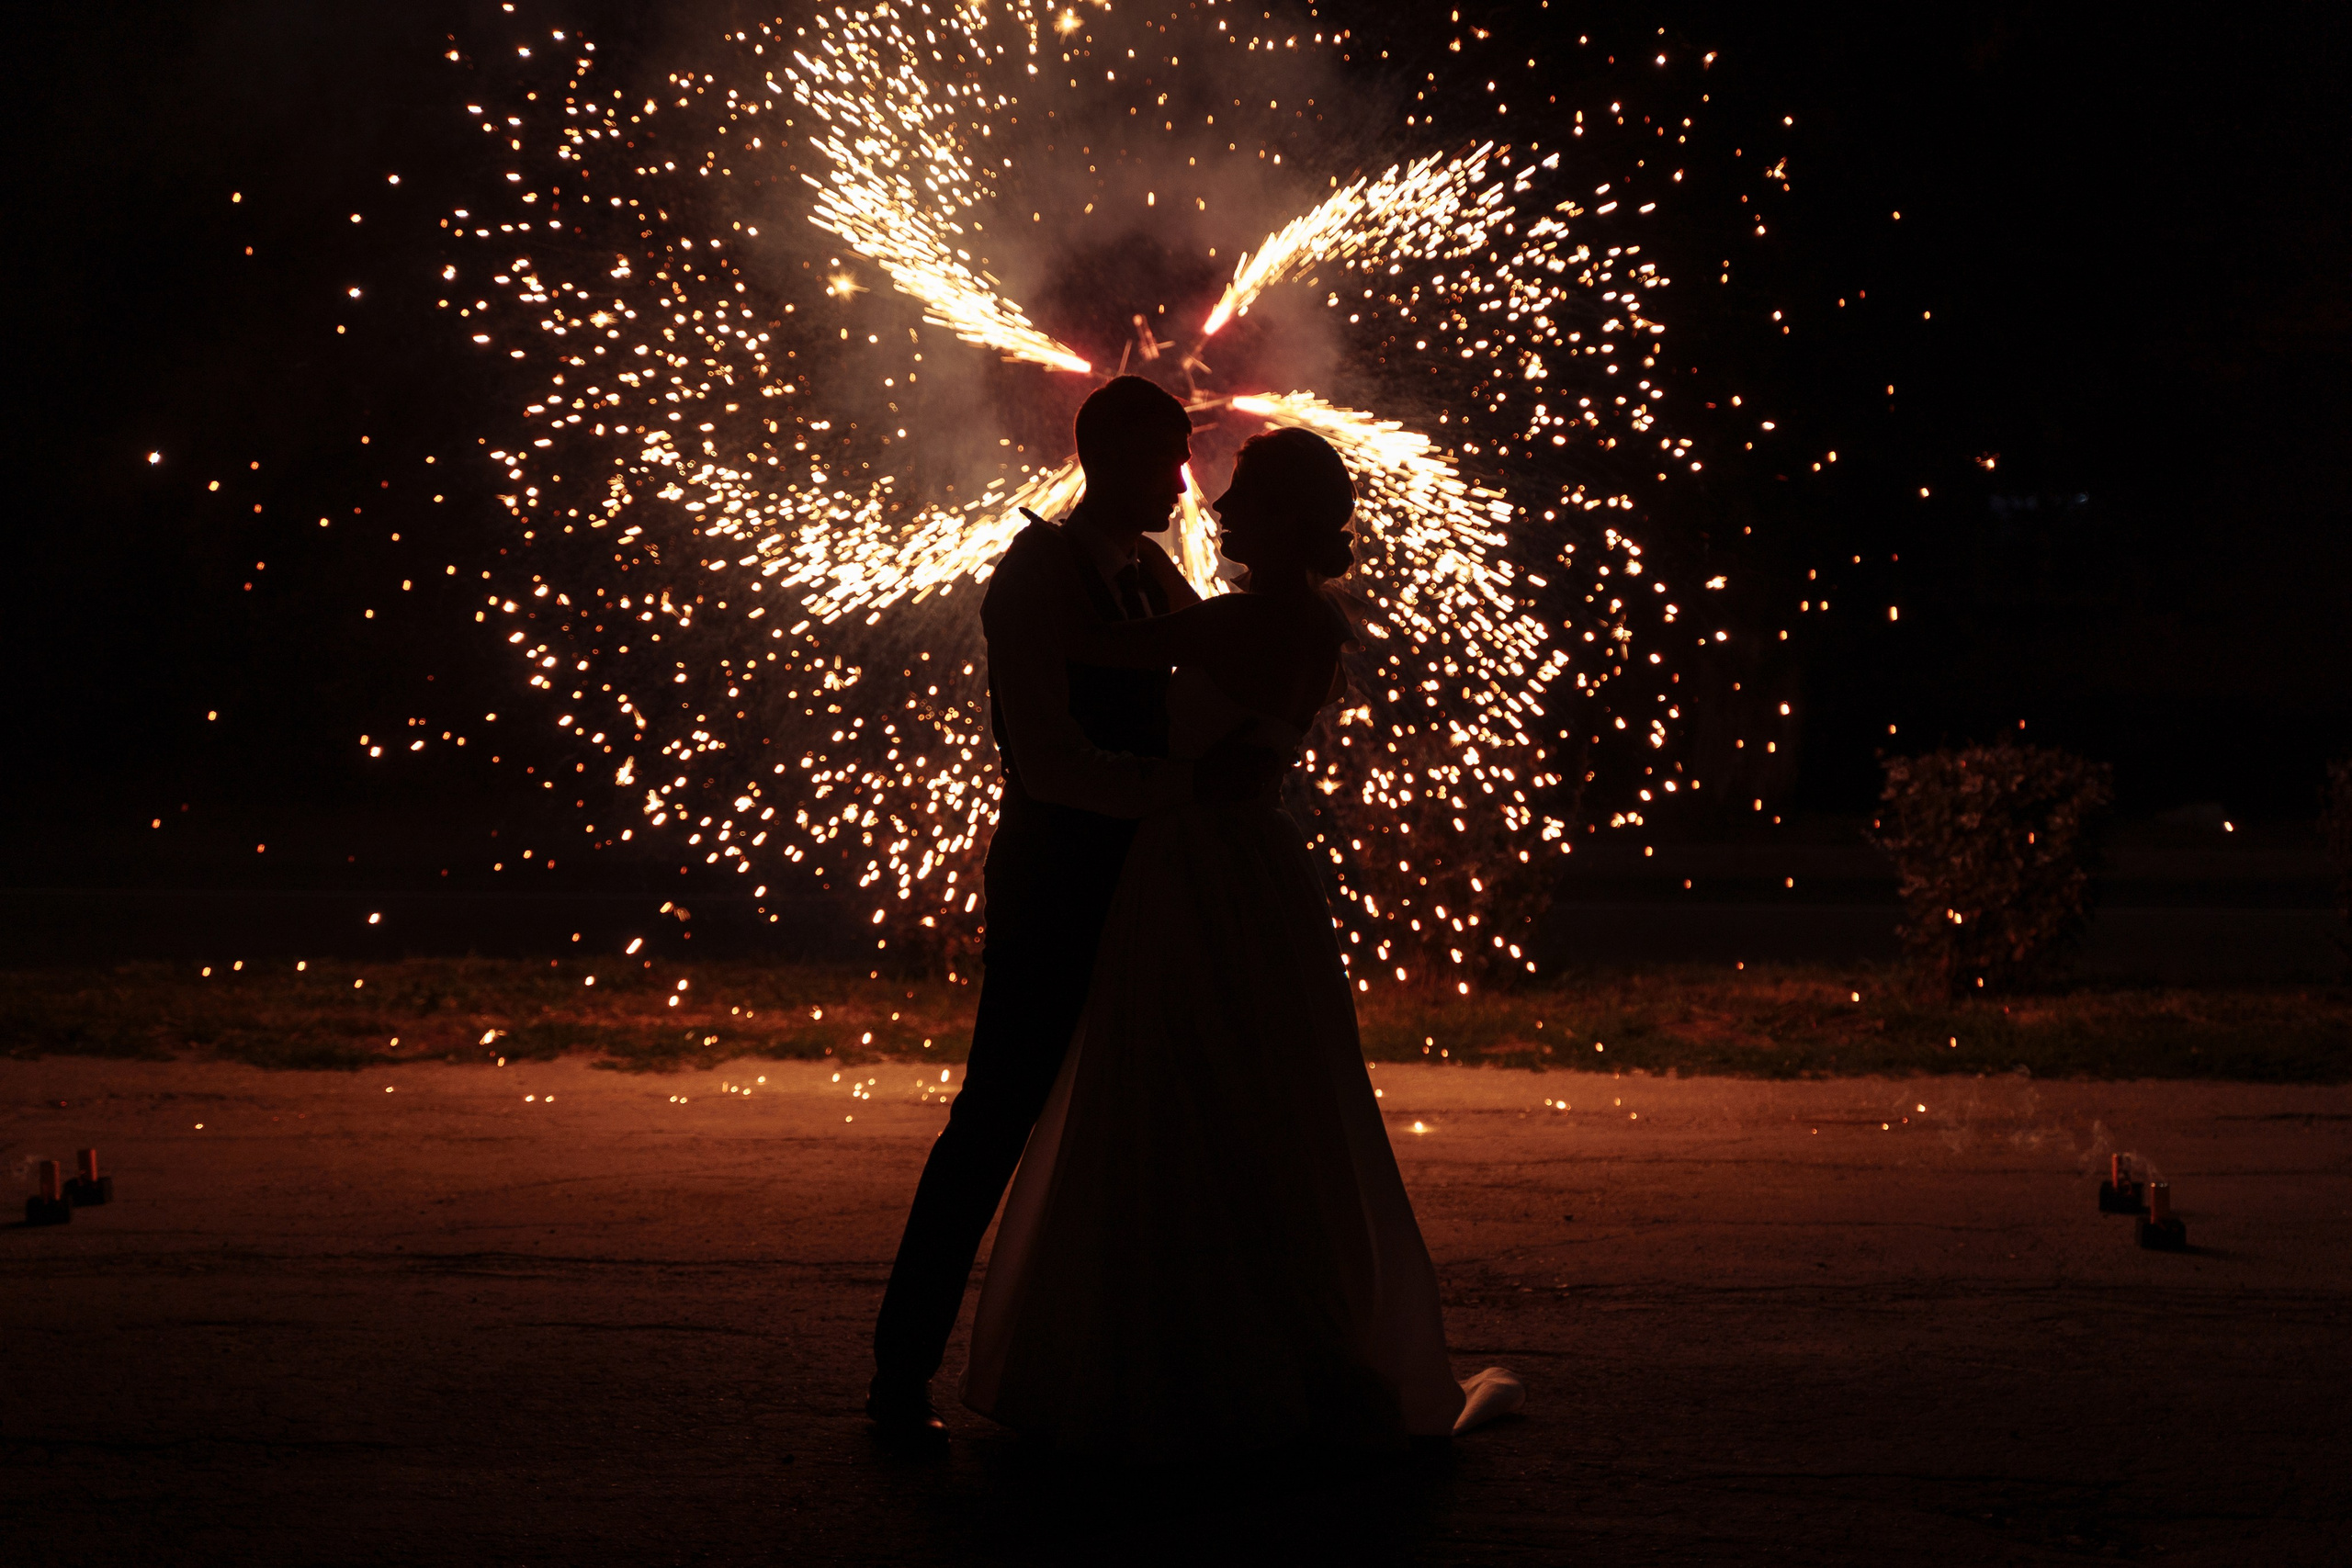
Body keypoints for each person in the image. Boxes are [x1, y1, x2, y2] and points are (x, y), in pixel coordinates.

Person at [959, 426, 1523, 1456]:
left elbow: (1081, 645)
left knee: (1180, 1087)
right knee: (1268, 1093)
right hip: (1258, 864)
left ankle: (1187, 1350)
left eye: (1247, 492)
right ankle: (1287, 1336)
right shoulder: (1306, 619)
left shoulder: (1228, 624)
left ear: (1291, 518)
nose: (1218, 500)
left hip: (1195, 866)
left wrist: (1054, 551)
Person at [867, 376, 1279, 1442]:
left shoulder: (1141, 568)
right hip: (1060, 876)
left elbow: (1199, 665)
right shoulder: (1034, 581)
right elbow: (1048, 764)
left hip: (1142, 879)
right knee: (997, 1115)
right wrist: (1192, 788)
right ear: (1104, 458)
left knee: (1131, 1121)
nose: (1181, 482)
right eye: (1160, 461)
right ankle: (898, 1371)